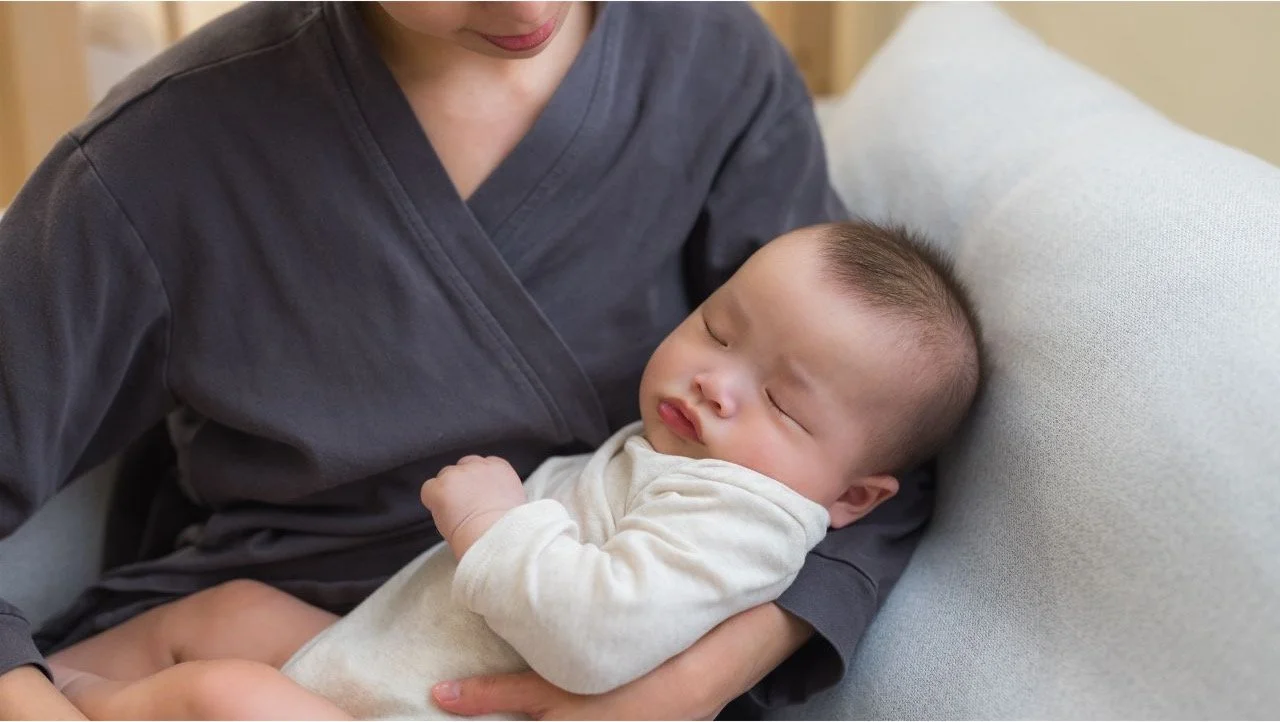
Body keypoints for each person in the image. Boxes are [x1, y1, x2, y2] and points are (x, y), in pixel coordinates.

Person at [0, 3, 939, 719]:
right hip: (289, 625)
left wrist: (694, 679)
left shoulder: (708, 61)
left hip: (578, 643)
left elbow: (871, 440)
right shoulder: (157, 157)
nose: (527, 9)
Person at [46, 221, 983, 720]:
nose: (715, 380)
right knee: (226, 613)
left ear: (851, 498)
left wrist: (492, 522)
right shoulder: (681, 455)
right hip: (390, 669)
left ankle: (75, 708)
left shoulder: (746, 515)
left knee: (223, 696)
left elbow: (597, 637)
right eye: (719, 327)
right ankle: (41, 680)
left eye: (782, 402)